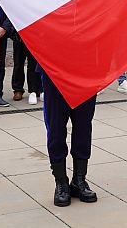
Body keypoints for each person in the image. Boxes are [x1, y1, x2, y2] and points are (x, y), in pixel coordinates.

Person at [41, 67, 98, 206]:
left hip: (85, 70)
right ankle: (61, 182)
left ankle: (79, 180)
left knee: (83, 127)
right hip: (54, 70)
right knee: (56, 129)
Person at [12, 32, 44, 103]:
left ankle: (36, 89)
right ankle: (18, 89)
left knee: (34, 63)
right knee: (18, 63)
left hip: (34, 34)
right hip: (19, 34)